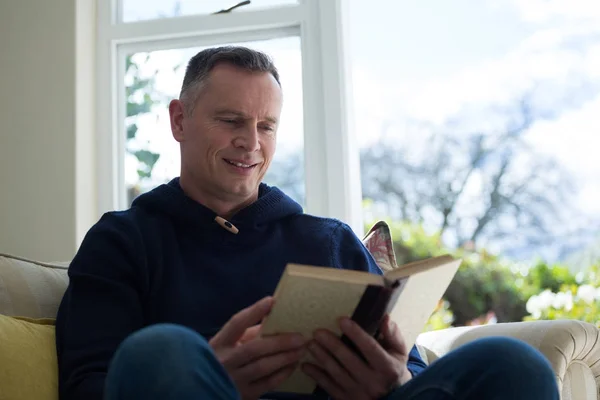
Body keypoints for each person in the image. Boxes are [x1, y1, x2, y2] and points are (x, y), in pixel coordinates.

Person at [55, 46, 559, 400]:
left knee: (514, 363)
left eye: (266, 126)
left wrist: (393, 383)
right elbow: (88, 385)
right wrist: (211, 380)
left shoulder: (329, 239)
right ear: (179, 121)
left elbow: (413, 372)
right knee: (162, 352)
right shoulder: (122, 241)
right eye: (231, 121)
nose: (251, 142)